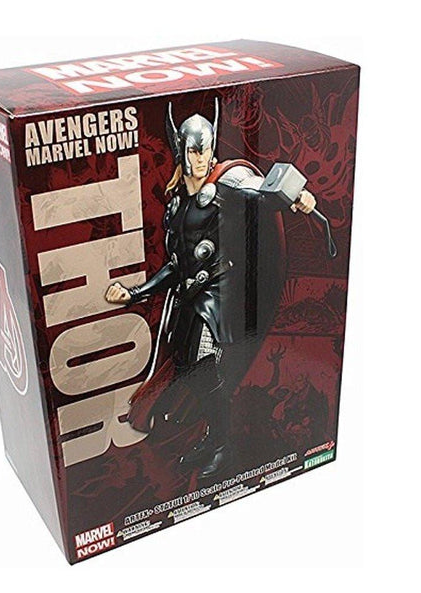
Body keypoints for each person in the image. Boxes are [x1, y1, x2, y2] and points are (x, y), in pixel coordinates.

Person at [105, 99, 316, 479]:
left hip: (219, 296)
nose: (200, 158)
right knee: (188, 368)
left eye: (205, 150)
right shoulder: (177, 205)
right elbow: (175, 266)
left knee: (204, 364)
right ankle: (211, 439)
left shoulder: (228, 181)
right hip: (189, 298)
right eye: (193, 151)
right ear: (181, 151)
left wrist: (296, 196)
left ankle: (223, 445)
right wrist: (136, 292)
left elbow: (261, 191)